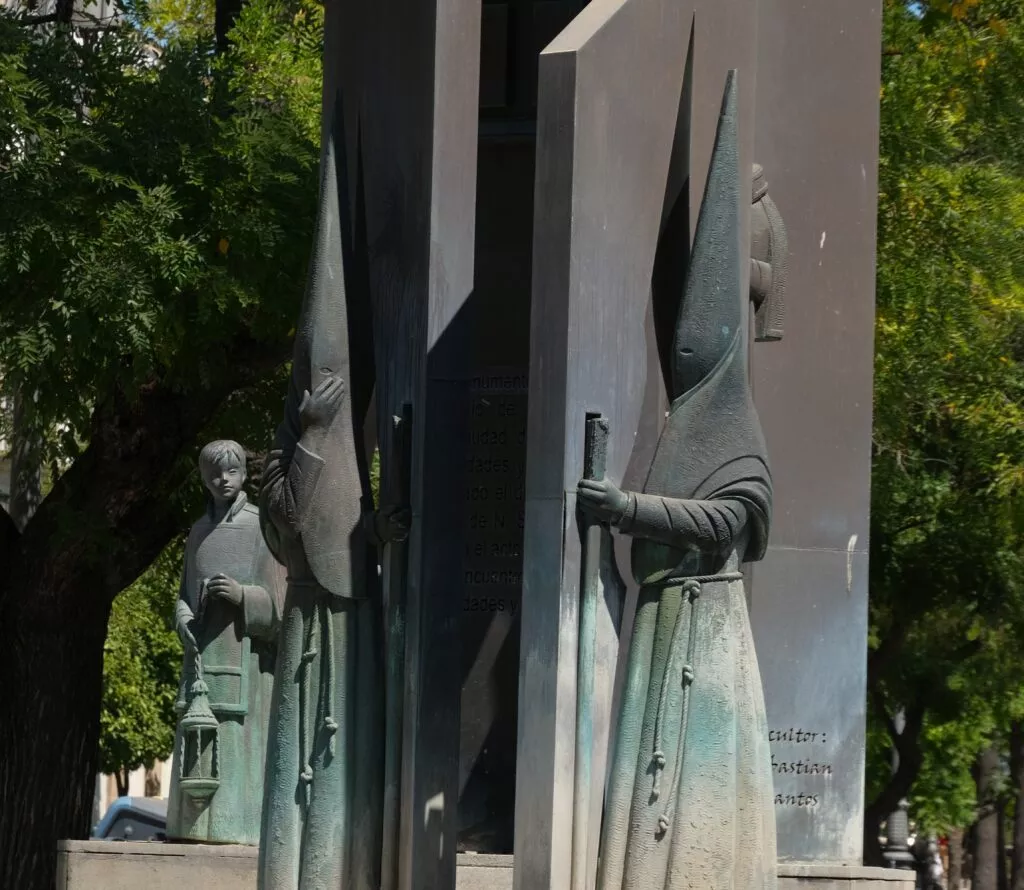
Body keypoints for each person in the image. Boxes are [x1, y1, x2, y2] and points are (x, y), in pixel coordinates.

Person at [167, 439, 285, 845]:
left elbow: (279, 609)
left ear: (242, 474)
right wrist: (183, 617)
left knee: (235, 758)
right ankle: (191, 829)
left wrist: (241, 596)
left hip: (247, 667)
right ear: (203, 478)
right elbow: (183, 595)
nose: (223, 479)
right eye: (215, 473)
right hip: (199, 666)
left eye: (231, 471)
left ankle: (239, 826)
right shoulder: (198, 531)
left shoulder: (260, 527)